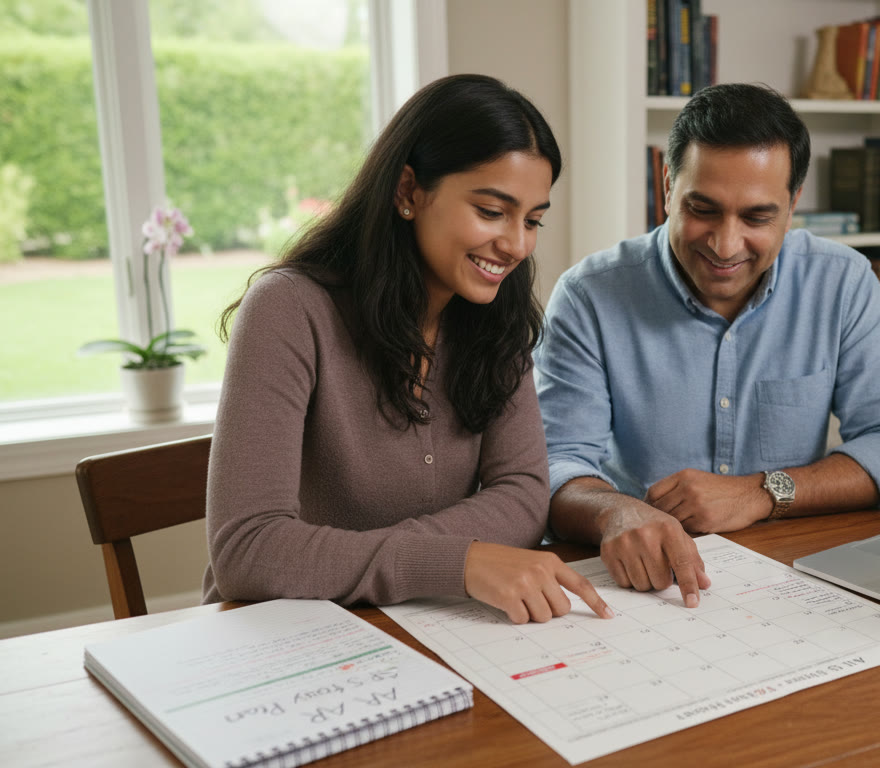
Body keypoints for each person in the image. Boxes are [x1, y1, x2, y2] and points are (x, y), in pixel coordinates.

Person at [204, 74, 611, 625]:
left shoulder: (499, 315)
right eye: (492, 211)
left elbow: (522, 494)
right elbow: (249, 551)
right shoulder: (288, 310)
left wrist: (399, 563)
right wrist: (454, 561)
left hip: (432, 622)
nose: (516, 244)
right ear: (408, 192)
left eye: (532, 220)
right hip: (284, 638)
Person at [535, 83, 880, 609]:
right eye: (702, 209)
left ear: (793, 204)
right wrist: (614, 511)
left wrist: (763, 491)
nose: (725, 246)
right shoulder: (590, 295)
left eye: (756, 217)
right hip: (641, 585)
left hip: (789, 575)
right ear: (667, 187)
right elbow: (556, 463)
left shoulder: (843, 282)